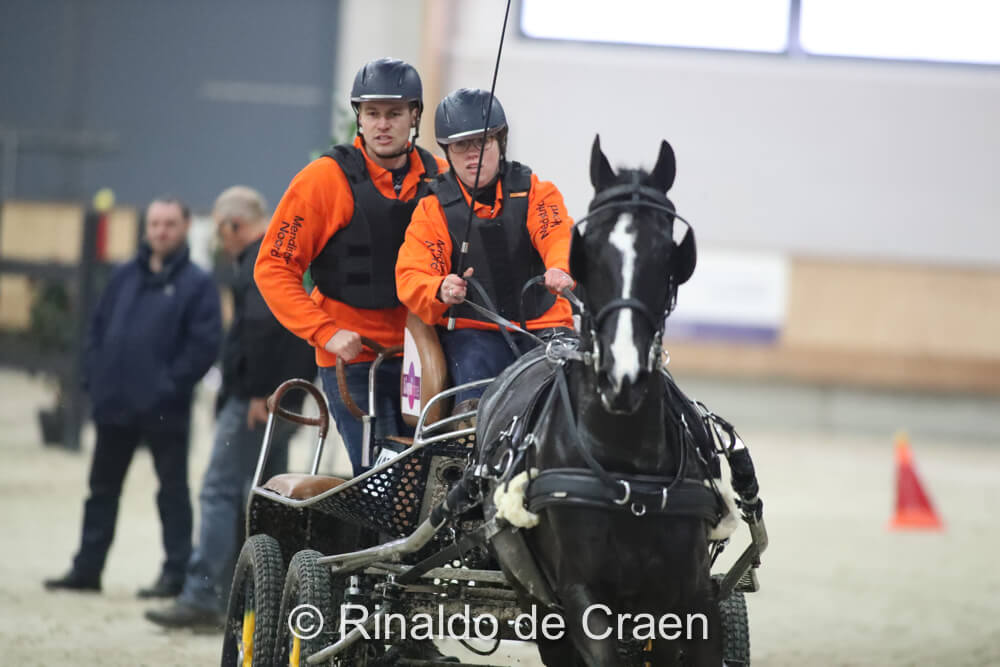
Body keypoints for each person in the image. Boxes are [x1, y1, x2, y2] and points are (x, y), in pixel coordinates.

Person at [255, 58, 448, 476]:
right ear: (358, 116)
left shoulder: (441, 178)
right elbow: (273, 267)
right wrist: (325, 332)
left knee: (430, 475)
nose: (383, 125)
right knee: (380, 478)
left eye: (394, 114)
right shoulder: (323, 180)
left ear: (415, 116)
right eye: (372, 113)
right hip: (353, 358)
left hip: (425, 354)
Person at [143, 186, 317, 628]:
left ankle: (204, 594)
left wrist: (259, 392)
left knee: (219, 490)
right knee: (266, 498)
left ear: (232, 225)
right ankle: (258, 598)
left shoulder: (260, 263)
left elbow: (261, 328)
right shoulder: (285, 259)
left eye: (220, 233)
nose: (221, 242)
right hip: (282, 398)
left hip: (255, 400)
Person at [44, 197, 221, 596]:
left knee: (172, 492)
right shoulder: (123, 275)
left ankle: (175, 575)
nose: (161, 231)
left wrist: (167, 387)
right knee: (101, 491)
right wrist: (96, 379)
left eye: (169, 224)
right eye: (155, 223)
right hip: (114, 404)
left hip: (165, 410)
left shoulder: (198, 284)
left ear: (185, 227)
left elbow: (204, 346)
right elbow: (96, 329)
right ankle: (87, 570)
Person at [395, 88, 575, 406]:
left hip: (547, 328)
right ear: (447, 151)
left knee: (581, 388)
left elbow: (556, 233)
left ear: (499, 142)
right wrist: (439, 288)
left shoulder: (537, 192)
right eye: (461, 145)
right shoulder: (433, 209)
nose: (472, 155)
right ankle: (465, 436)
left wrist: (559, 267)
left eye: (482, 142)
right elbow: (412, 274)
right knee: (473, 385)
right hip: (474, 335)